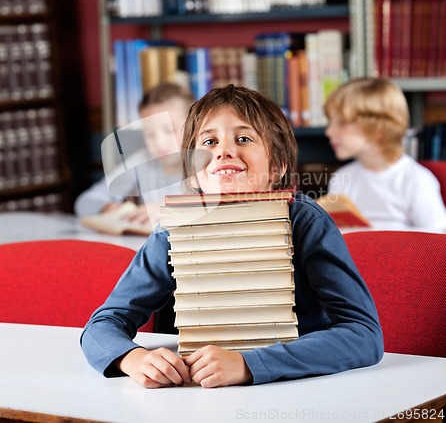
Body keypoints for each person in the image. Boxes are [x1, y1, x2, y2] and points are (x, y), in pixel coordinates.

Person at [81, 84, 383, 388]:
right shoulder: (172, 228)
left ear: (276, 165)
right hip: (200, 394)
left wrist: (248, 364)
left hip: (297, 389)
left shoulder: (304, 221)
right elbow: (102, 326)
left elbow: (364, 335)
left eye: (243, 138)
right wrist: (132, 359)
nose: (223, 151)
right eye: (209, 141)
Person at [324, 77, 446, 231]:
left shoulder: (415, 180)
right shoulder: (341, 178)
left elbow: (437, 236)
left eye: (341, 123)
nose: (329, 132)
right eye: (330, 122)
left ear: (377, 129)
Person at [74, 82, 195, 228]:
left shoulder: (210, 163)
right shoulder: (142, 161)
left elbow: (221, 205)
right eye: (149, 134)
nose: (159, 143)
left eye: (169, 131)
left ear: (193, 127)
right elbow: (85, 201)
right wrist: (107, 208)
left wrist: (171, 208)